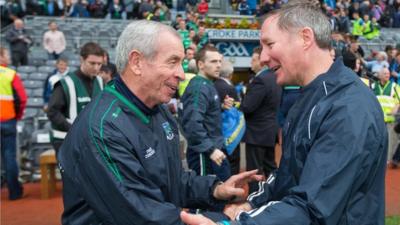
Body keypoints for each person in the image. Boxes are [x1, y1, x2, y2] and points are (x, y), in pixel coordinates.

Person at [181, 2, 387, 225]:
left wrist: (238, 222)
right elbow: (288, 173)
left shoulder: (348, 106)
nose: (263, 58)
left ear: (305, 38)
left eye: (269, 44)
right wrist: (249, 205)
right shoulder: (309, 95)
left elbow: (313, 208)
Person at [58, 20, 261, 225]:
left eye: (181, 63)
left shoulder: (159, 111)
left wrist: (215, 189)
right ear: (137, 62)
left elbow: (172, 180)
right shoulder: (102, 128)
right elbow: (139, 213)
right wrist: (220, 220)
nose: (181, 74)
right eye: (172, 62)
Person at [179, 46, 234, 184]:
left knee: (218, 196)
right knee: (204, 198)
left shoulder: (206, 84)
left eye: (220, 61)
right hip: (205, 153)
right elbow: (192, 123)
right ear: (201, 64)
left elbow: (203, 115)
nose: (219, 65)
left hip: (213, 149)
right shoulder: (199, 87)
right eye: (213, 62)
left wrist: (220, 107)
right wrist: (210, 150)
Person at [47, 42, 104, 153]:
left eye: (99, 64)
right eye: (92, 63)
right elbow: (52, 112)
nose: (96, 67)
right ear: (81, 60)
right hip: (65, 140)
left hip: (89, 140)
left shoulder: (100, 82)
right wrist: (73, 129)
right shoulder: (65, 83)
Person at [240, 46, 282, 193]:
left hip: (257, 134)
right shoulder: (277, 76)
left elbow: (248, 107)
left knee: (254, 173)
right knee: (271, 169)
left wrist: (240, 103)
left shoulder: (261, 79)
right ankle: (275, 196)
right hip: (270, 132)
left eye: (253, 60)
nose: (250, 63)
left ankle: (254, 201)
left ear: (262, 61)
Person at [0, 46, 27, 200]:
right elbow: (22, 98)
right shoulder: (10, 74)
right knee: (9, 155)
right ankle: (14, 193)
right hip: (7, 120)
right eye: (6, 54)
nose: (9, 57)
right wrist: (18, 115)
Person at [214, 59, 241, 176]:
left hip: (216, 130)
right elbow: (237, 108)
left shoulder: (212, 85)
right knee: (232, 161)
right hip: (230, 130)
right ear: (230, 74)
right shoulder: (230, 88)